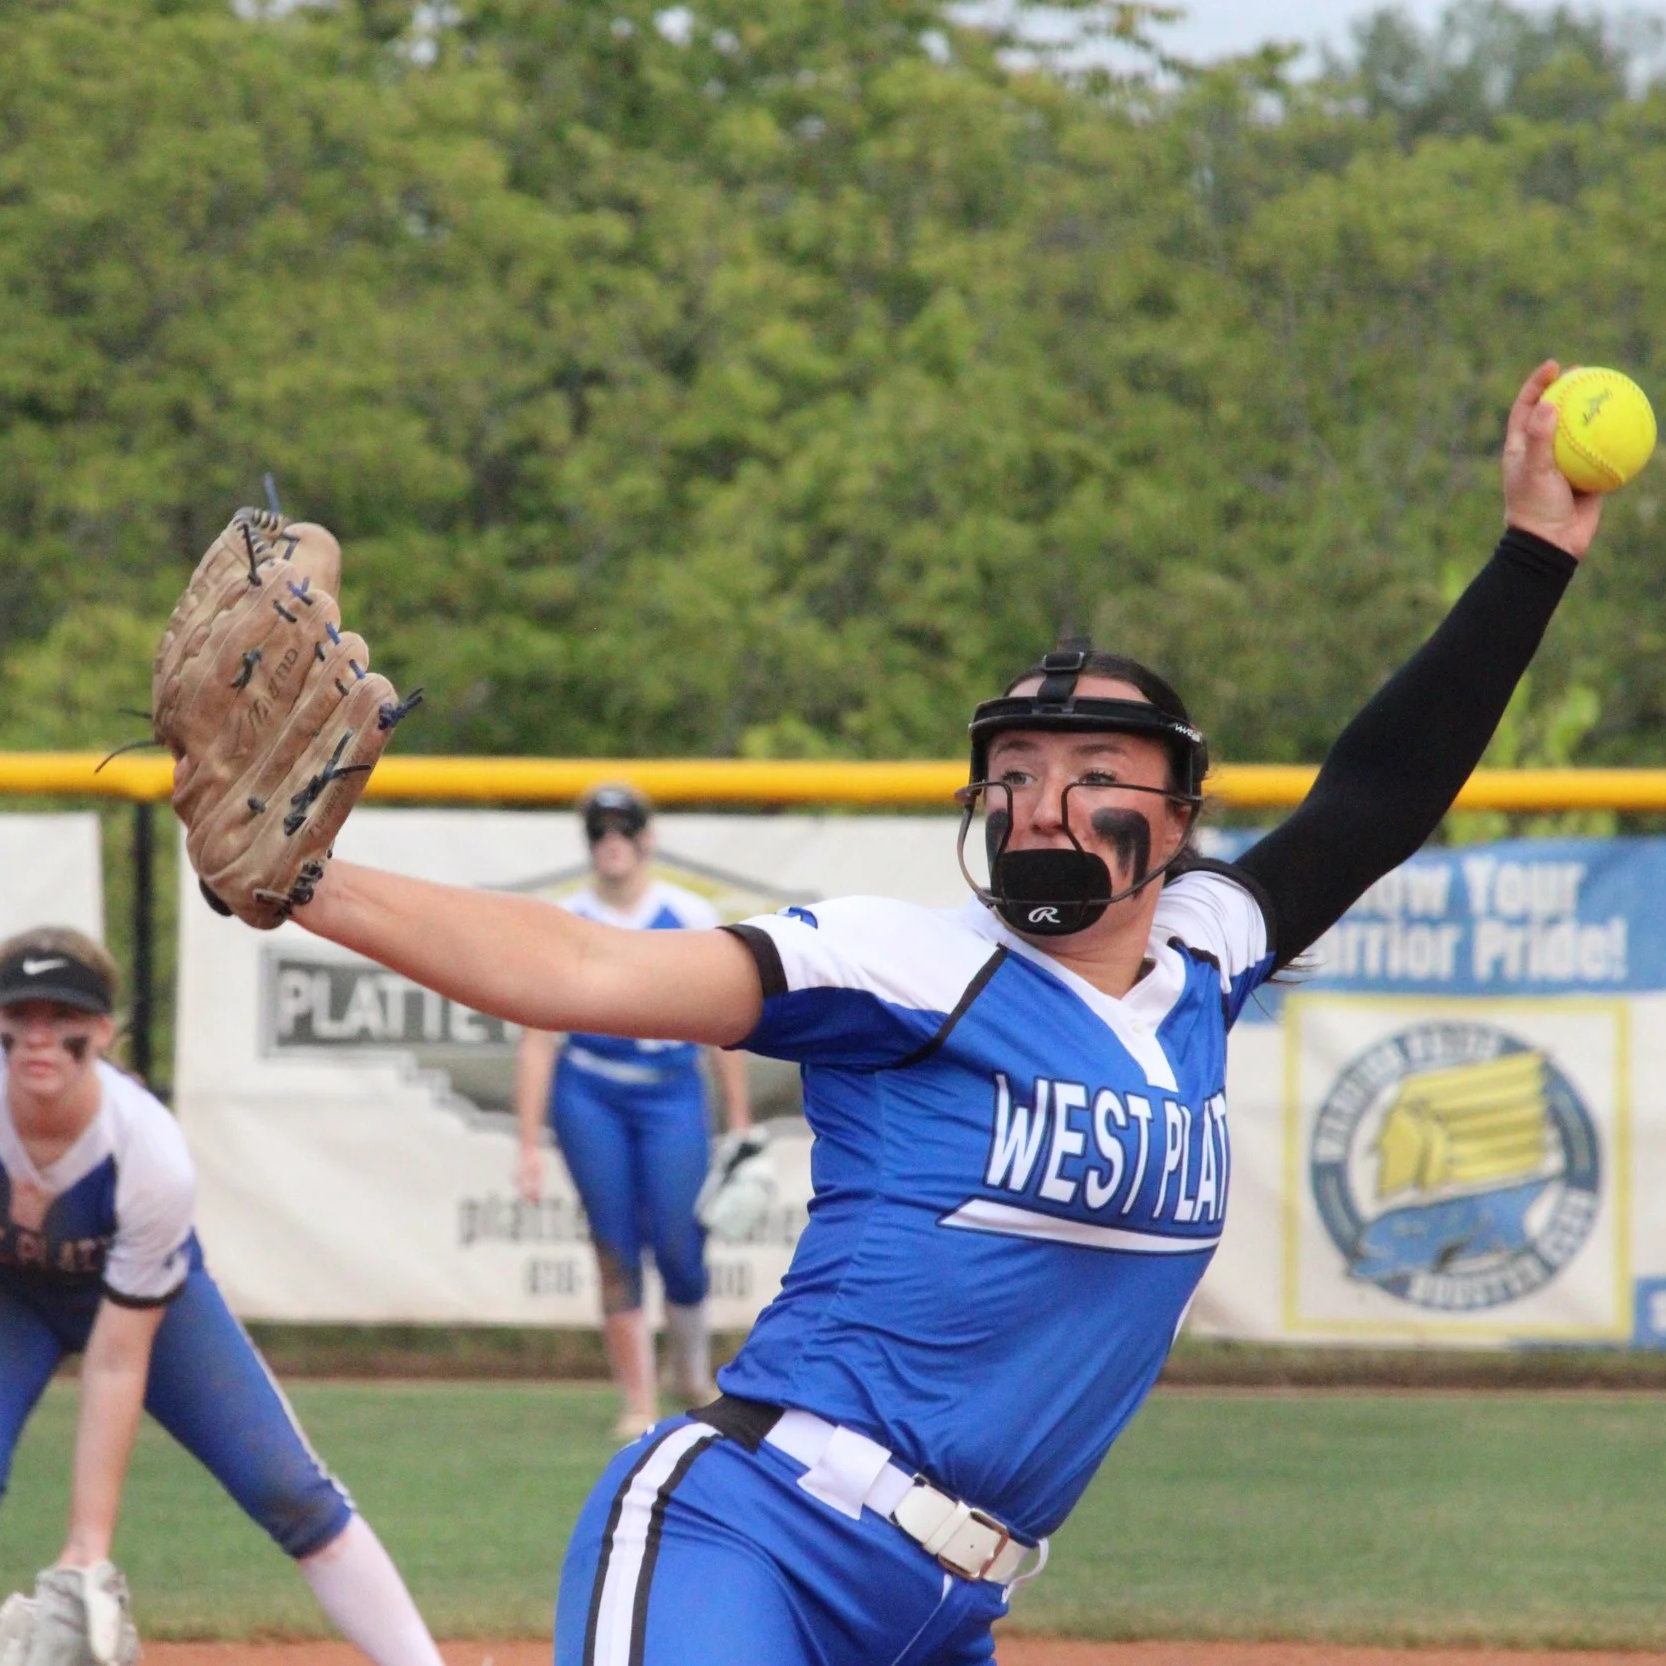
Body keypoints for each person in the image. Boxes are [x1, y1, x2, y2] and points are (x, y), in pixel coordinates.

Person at [255, 363, 1595, 1664]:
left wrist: (1532, 552)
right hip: (755, 1530)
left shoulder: (1205, 956)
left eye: (1092, 770)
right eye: (1012, 771)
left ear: (1177, 816)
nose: (1041, 801)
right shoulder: (905, 964)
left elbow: (1376, 795)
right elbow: (584, 972)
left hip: (947, 1610)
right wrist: (308, 880)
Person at [0, 928, 446, 1666]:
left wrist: (87, 1550)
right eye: (22, 1017)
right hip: (11, 1298)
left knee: (289, 1489)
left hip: (150, 1308)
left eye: (65, 1017)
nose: (41, 1036)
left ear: (104, 1031)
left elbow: (115, 1362)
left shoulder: (147, 1152)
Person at [513, 784, 754, 1439]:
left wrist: (738, 1117)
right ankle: (638, 1399)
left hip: (671, 1087)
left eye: (623, 830)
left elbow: (722, 1023)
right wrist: (528, 1143)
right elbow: (538, 1038)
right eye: (600, 832)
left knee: (681, 1237)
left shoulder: (689, 913)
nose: (611, 843)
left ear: (646, 839)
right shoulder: (569, 919)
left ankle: (693, 1372)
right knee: (614, 1242)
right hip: (591, 1089)